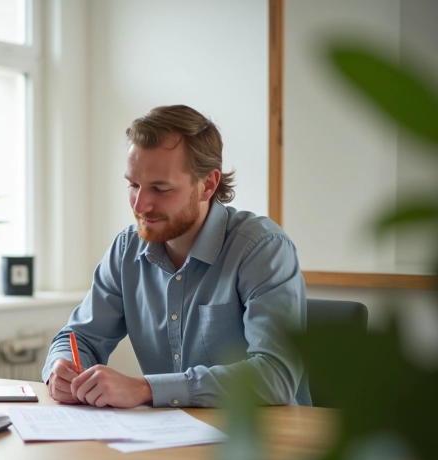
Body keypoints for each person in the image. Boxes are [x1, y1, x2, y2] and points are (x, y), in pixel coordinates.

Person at [42, 105, 308, 408]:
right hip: (166, 441)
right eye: (133, 185)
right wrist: (59, 368)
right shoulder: (126, 250)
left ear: (208, 184)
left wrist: (146, 389)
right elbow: (79, 338)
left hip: (264, 440)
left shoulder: (262, 248)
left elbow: (276, 375)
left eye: (160, 188)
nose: (141, 204)